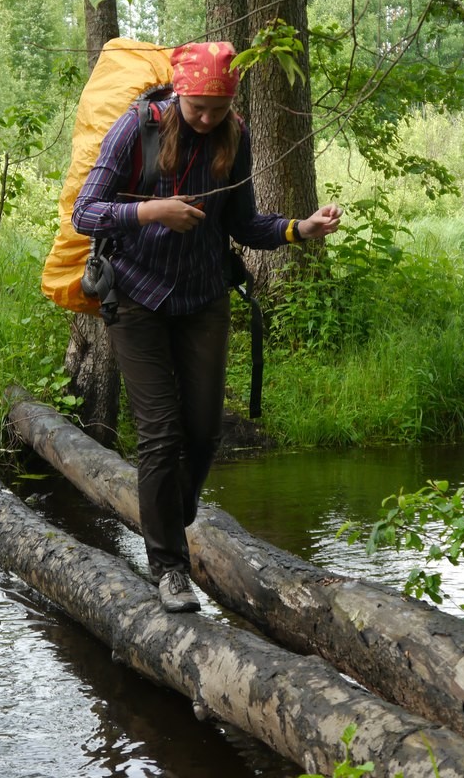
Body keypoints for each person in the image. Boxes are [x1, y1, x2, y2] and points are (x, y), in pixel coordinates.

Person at [72, 41, 342, 613]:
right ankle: (169, 567)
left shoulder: (233, 136)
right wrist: (151, 211)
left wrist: (300, 229)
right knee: (161, 435)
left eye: (217, 109)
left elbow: (243, 223)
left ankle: (171, 511)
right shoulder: (135, 129)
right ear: (178, 92)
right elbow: (85, 211)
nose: (206, 118)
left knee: (203, 432)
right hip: (136, 296)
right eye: (197, 107)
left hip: (202, 298)